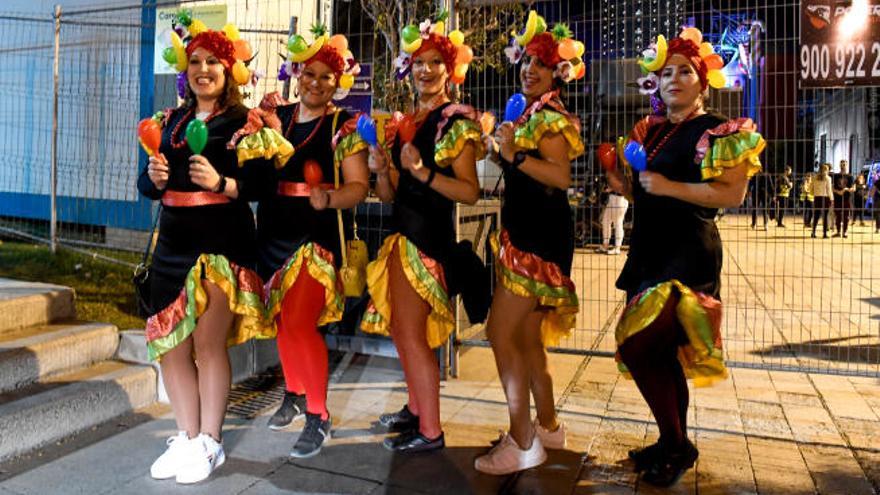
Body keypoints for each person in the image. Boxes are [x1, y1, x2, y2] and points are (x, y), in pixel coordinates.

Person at [606, 27, 765, 487]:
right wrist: (623, 185)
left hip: (687, 253)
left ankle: (676, 445)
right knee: (658, 353)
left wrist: (670, 187)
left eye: (685, 71)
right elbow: (647, 196)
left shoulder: (716, 129)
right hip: (648, 251)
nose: (674, 79)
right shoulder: (653, 133)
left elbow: (732, 194)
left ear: (702, 80)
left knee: (638, 345)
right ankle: (672, 440)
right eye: (666, 72)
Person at [138, 17, 268, 484]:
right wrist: (151, 180)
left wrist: (224, 183)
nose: (203, 69)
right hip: (171, 245)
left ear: (228, 68)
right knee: (171, 345)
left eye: (213, 61)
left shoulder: (244, 121)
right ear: (184, 70)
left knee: (207, 345)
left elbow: (264, 182)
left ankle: (211, 442)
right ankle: (188, 436)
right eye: (195, 61)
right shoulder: (169, 122)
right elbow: (149, 185)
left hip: (221, 244)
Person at [231, 26, 369, 458]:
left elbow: (359, 186)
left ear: (338, 82)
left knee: (300, 323)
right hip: (271, 234)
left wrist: (330, 197)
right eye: (310, 73)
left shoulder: (340, 126)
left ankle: (319, 414)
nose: (315, 82)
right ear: (297, 73)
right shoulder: (277, 116)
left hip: (316, 238)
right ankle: (293, 391)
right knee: (281, 322)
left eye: (326, 76)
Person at [361, 17, 485, 453]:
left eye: (435, 62)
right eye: (419, 62)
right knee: (401, 330)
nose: (426, 70)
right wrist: (383, 171)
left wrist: (422, 171)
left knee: (412, 337)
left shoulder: (457, 121)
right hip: (401, 237)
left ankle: (430, 431)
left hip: (429, 244)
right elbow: (391, 194)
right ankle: (416, 410)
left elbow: (469, 192)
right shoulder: (407, 122)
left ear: (450, 69)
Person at [472, 12, 585, 475]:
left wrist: (513, 152)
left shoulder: (552, 116)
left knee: (501, 333)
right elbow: (524, 174)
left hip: (537, 239)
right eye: (526, 62)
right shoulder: (534, 114)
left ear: (557, 71)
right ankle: (549, 428)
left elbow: (558, 176)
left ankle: (523, 442)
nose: (529, 70)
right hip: (534, 232)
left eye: (540, 63)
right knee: (526, 339)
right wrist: (499, 152)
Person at [598, 186, 629, 255]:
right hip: (612, 198)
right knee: (605, 221)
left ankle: (617, 248)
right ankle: (605, 245)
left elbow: (625, 186)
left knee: (618, 223)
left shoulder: (625, 175)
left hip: (620, 199)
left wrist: (612, 188)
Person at [832, 159, 855, 238]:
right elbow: (832, 188)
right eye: (842, 164)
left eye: (844, 164)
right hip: (837, 198)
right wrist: (838, 192)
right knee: (838, 215)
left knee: (846, 216)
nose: (843, 166)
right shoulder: (835, 176)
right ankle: (838, 231)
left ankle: (845, 232)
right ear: (839, 165)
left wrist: (846, 189)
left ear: (847, 165)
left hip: (846, 199)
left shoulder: (850, 176)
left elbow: (853, 188)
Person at [810, 163, 834, 238]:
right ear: (826, 170)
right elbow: (829, 190)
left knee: (816, 216)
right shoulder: (828, 178)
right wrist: (832, 199)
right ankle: (824, 233)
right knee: (825, 216)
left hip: (817, 198)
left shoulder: (814, 177)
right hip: (825, 198)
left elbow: (811, 188)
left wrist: (814, 194)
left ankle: (813, 232)